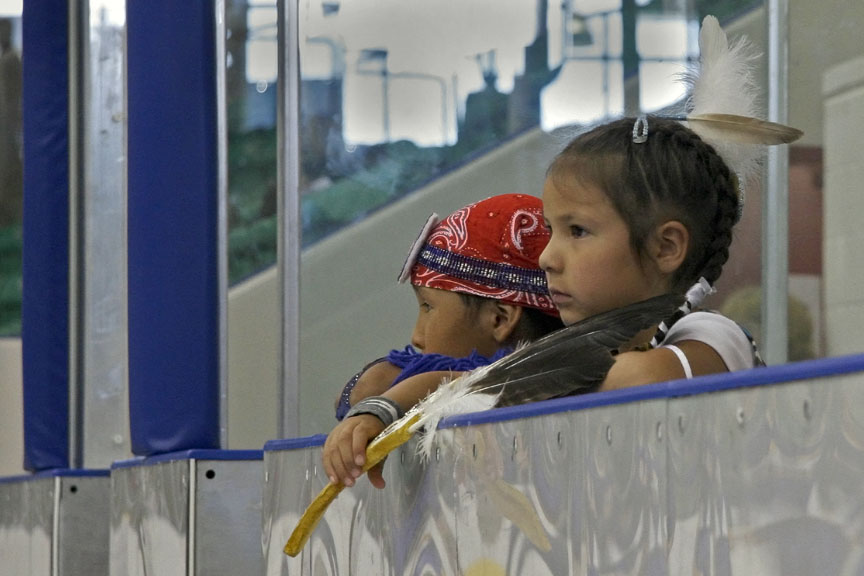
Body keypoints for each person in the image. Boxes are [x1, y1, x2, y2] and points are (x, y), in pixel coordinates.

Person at [326, 193, 562, 488]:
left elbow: (477, 382)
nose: (416, 336)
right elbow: (362, 390)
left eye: (428, 307)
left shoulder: (549, 383)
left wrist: (392, 400)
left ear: (499, 319)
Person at [540, 115, 763, 392]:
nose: (547, 259)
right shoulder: (619, 352)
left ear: (666, 247)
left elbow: (638, 378)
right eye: (550, 229)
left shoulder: (713, 335)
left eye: (578, 231)